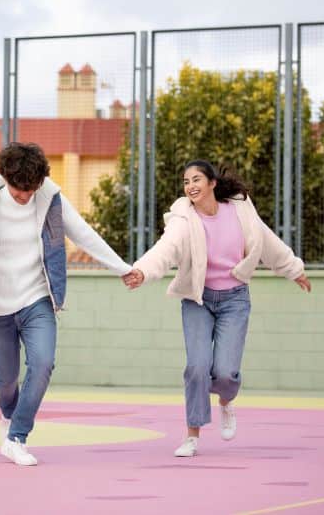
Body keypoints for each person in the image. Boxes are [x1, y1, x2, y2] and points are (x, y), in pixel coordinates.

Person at [0, 142, 132, 466]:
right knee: (6, 383)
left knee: (43, 363)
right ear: (4, 177)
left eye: (31, 189)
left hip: (37, 299)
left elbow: (85, 235)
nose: (25, 196)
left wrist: (123, 268)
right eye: (19, 189)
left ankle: (17, 436)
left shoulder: (50, 198)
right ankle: (9, 417)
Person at [124, 160, 311, 457]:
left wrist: (293, 269)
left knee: (225, 373)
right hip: (198, 300)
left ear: (212, 183)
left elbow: (266, 240)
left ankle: (225, 401)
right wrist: (142, 271)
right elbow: (165, 248)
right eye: (186, 181)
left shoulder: (240, 209)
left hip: (235, 299)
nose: (190, 186)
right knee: (197, 367)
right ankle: (192, 435)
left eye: (196, 179)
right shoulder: (183, 217)